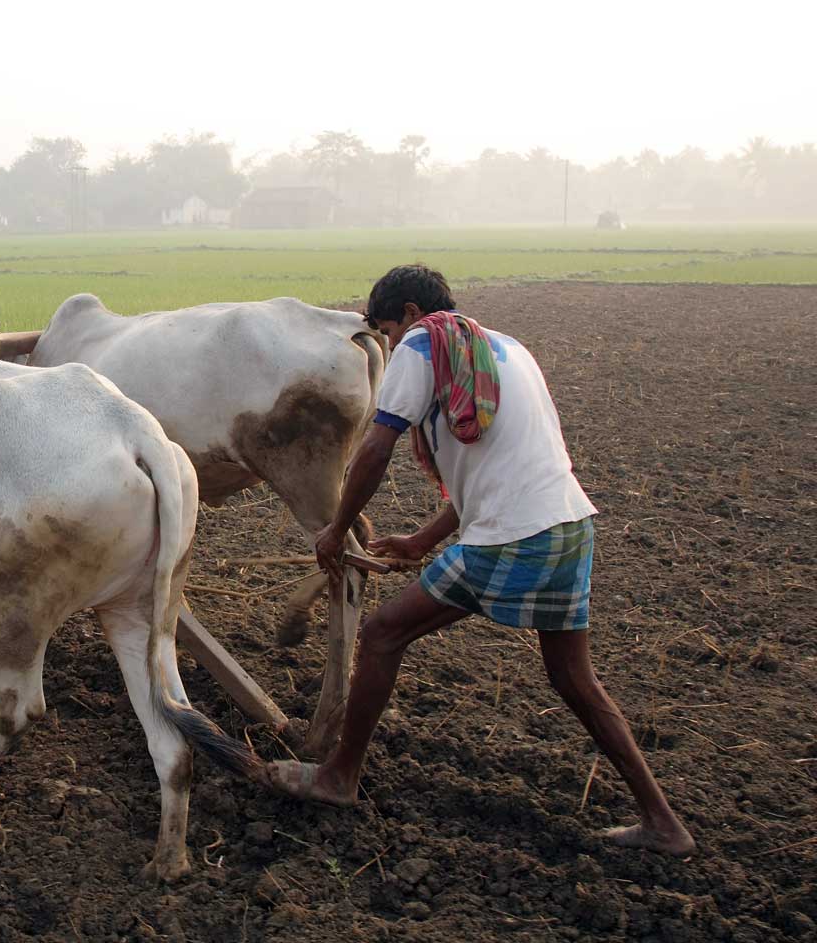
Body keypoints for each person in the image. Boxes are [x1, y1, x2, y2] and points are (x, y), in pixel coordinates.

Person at [268, 264, 695, 857]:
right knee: (575, 680)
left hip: (511, 539)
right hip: (568, 526)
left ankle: (338, 777)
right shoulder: (507, 349)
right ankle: (664, 824)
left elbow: (376, 446)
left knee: (385, 632)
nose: (390, 344)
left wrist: (336, 528)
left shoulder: (423, 343)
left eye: (387, 331)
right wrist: (421, 541)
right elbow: (502, 467)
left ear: (411, 314)